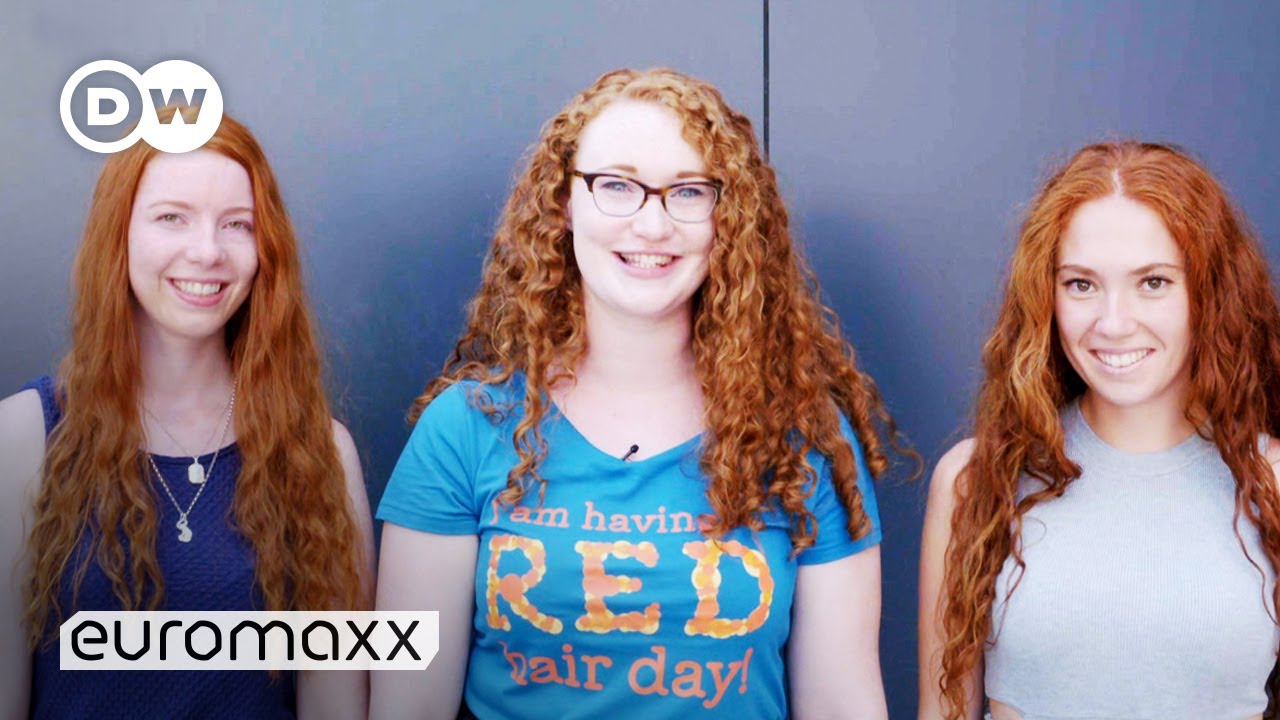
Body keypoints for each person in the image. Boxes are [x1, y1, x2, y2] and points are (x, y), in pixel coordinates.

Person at [372, 67, 904, 719]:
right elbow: (406, 709)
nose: (652, 226)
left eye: (689, 191)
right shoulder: (465, 428)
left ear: (728, 218)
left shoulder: (801, 437)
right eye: (617, 186)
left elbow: (843, 703)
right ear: (564, 203)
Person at [0, 107, 375, 719]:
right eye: (172, 217)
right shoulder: (22, 437)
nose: (207, 251)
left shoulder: (322, 454)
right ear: (119, 233)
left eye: (237, 224)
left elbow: (335, 705)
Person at [918, 142, 1280, 720]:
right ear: (1046, 296)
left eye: (1153, 282)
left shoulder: (1272, 481)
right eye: (1081, 284)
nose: (1113, 323)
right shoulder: (976, 480)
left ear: (1210, 293)